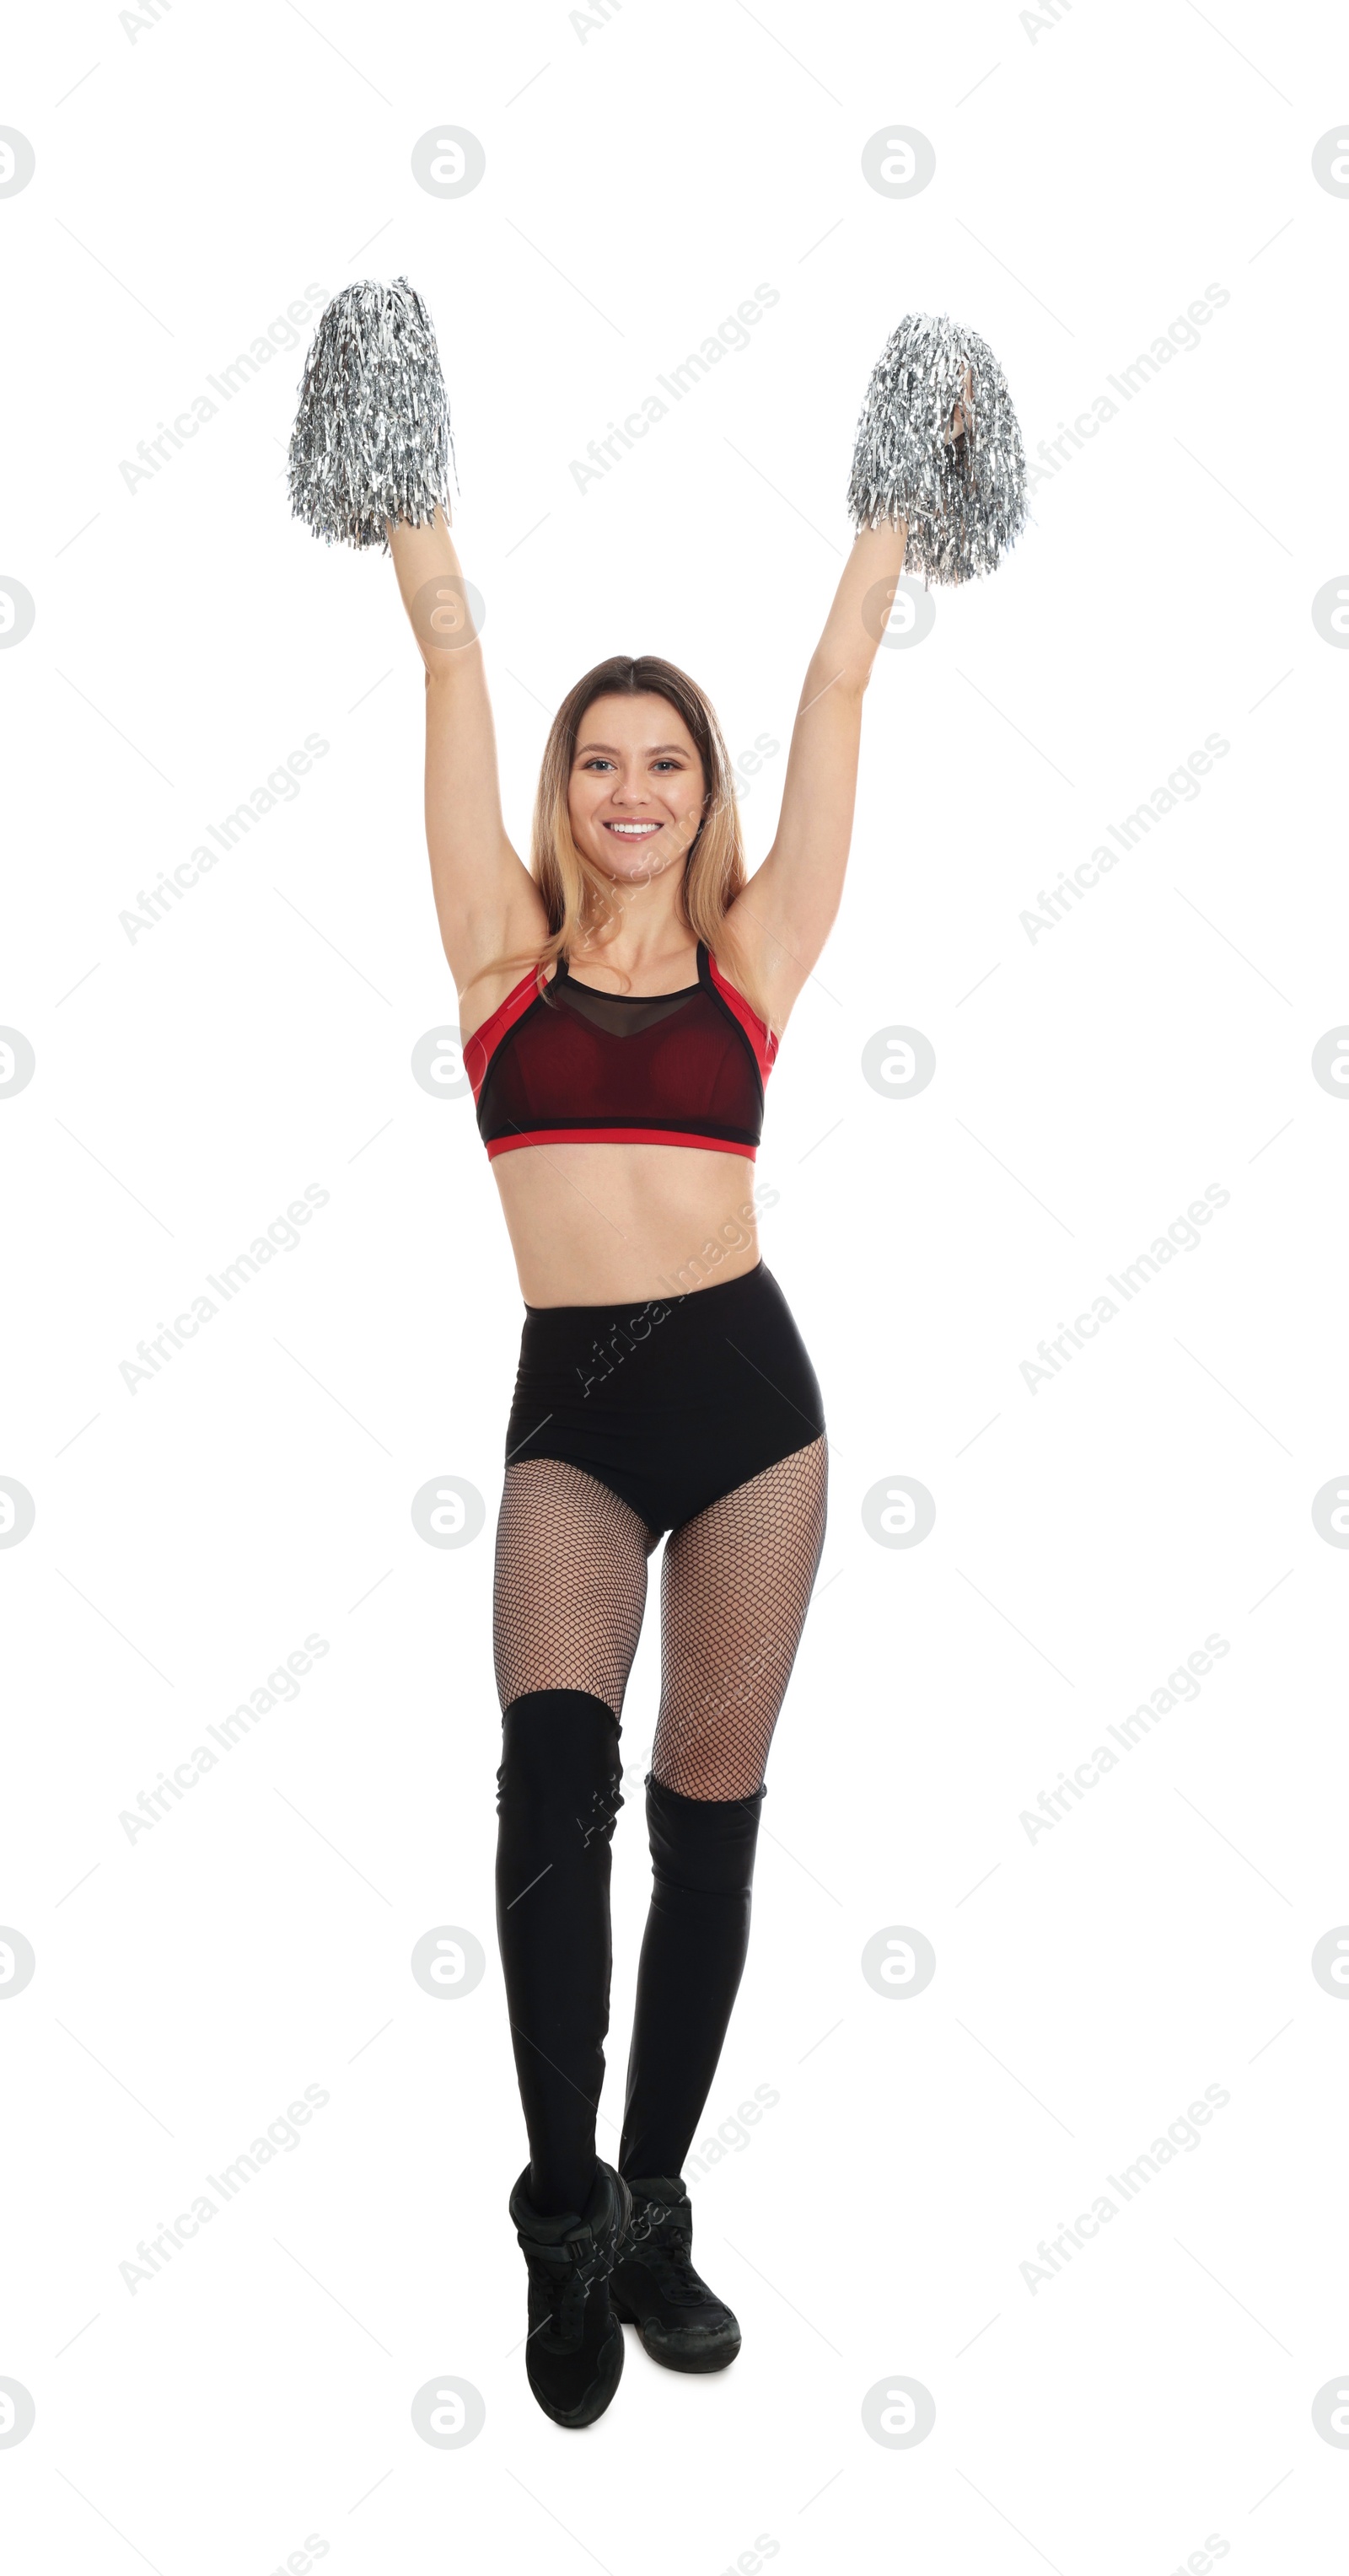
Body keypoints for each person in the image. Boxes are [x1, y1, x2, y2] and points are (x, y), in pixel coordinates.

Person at [384, 496, 910, 2428]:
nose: (628, 788)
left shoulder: (752, 962)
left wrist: (882, 525)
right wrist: (412, 506)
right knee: (548, 1789)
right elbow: (449, 659)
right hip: (575, 1430)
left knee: (708, 1813)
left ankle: (658, 2202)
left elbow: (840, 676)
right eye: (598, 761)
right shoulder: (496, 961)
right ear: (563, 788)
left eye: (663, 762)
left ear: (701, 797)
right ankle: (558, 2203)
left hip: (751, 1414)